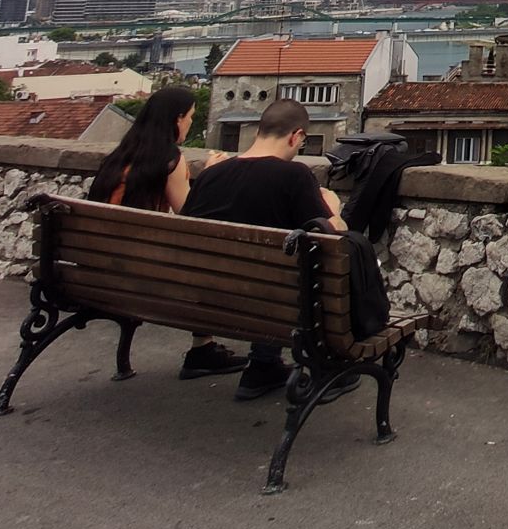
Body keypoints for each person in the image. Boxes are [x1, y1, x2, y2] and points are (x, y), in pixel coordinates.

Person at [183, 97, 348, 400]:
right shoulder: (293, 176)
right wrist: (333, 207)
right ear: (296, 136)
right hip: (271, 303)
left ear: (259, 131)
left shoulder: (210, 175)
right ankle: (320, 364)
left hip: (205, 299)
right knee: (315, 270)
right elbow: (333, 237)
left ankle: (264, 367)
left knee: (271, 273)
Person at [87, 85, 249, 380]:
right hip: (140, 277)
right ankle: (202, 349)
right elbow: (190, 217)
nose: (190, 123)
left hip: (96, 271)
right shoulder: (168, 159)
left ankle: (204, 348)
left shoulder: (120, 157)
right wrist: (211, 173)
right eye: (189, 117)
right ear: (176, 119)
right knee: (209, 260)